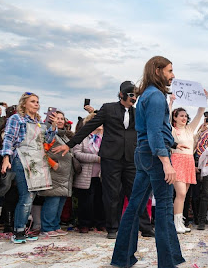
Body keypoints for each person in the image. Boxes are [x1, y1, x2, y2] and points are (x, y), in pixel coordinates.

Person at [111, 55, 185, 268]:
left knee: (135, 205)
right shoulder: (155, 97)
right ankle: (168, 260)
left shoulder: (148, 95)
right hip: (154, 155)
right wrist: (166, 162)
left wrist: (171, 143)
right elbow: (153, 132)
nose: (173, 75)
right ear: (157, 71)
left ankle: (122, 257)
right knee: (163, 206)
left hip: (144, 153)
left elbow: (153, 131)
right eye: (170, 71)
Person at [53, 81, 154, 239]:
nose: (134, 98)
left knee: (136, 193)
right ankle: (113, 228)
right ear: (122, 95)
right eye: (132, 95)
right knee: (111, 194)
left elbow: (152, 129)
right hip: (110, 158)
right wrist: (70, 144)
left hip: (130, 159)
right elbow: (88, 127)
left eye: (136, 95)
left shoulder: (138, 112)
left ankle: (146, 228)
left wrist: (172, 143)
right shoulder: (108, 108)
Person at [0, 92, 57, 244]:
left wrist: (52, 126)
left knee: (31, 196)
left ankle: (22, 228)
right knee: (26, 195)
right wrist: (6, 157)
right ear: (24, 104)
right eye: (33, 101)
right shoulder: (16, 118)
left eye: (38, 101)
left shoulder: (39, 122)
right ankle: (18, 230)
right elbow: (9, 139)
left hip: (37, 159)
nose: (36, 104)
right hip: (22, 157)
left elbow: (47, 141)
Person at [170, 96, 207, 234]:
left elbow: (199, 113)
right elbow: (166, 119)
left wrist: (203, 100)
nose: (184, 118)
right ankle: (176, 223)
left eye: (185, 116)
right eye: (181, 116)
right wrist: (171, 103)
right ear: (175, 118)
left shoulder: (190, 130)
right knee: (180, 193)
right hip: (177, 161)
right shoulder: (172, 130)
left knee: (184, 194)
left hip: (189, 162)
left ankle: (180, 222)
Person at [39, 111, 75, 238]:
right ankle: (47, 227)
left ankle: (55, 225)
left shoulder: (64, 135)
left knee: (60, 201)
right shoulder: (49, 133)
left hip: (65, 174)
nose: (60, 120)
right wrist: (53, 164)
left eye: (62, 118)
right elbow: (43, 150)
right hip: (55, 172)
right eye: (57, 118)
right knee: (52, 200)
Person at [72, 113, 105, 233]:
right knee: (85, 201)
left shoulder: (106, 138)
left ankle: (100, 223)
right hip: (85, 174)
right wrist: (97, 158)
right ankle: (84, 224)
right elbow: (77, 154)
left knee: (100, 200)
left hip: (102, 175)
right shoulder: (82, 137)